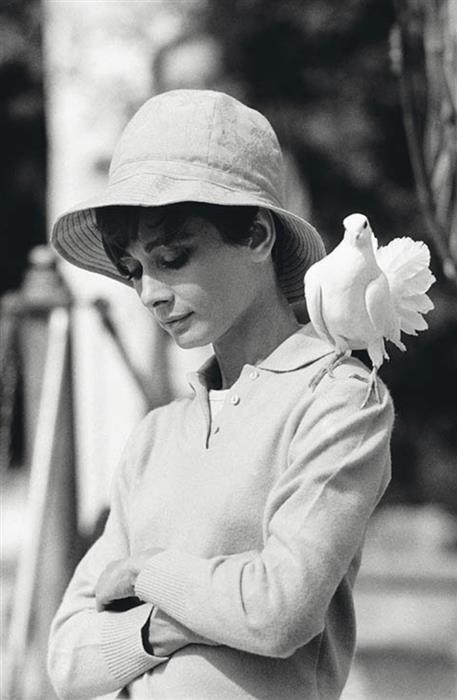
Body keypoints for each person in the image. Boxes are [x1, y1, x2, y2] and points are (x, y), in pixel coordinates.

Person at [48, 89, 393, 700]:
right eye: (133, 270)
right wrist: (165, 625)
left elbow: (281, 610)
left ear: (257, 234)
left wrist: (141, 573)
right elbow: (69, 658)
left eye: (173, 257)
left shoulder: (337, 398)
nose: (150, 293)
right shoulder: (155, 435)